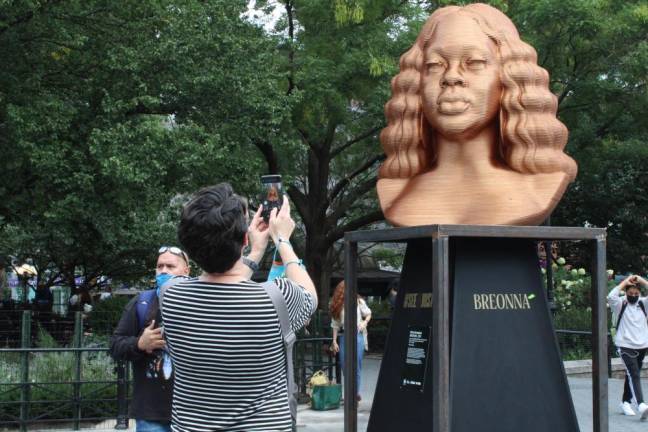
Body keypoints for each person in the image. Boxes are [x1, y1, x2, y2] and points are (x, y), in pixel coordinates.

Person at [376, 3, 577, 226]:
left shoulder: (541, 187)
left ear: (509, 78)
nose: (451, 77)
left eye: (474, 62)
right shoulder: (395, 191)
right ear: (416, 84)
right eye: (435, 64)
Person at [161, 183, 317, 431]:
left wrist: (255, 251)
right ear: (244, 238)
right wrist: (282, 240)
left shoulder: (170, 295)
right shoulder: (277, 298)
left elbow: (223, 282)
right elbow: (310, 296)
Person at [110, 247, 191, 431]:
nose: (163, 271)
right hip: (152, 414)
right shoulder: (142, 303)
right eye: (159, 266)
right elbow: (115, 345)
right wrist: (139, 344)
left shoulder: (201, 302)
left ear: (186, 271)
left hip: (193, 413)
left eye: (170, 266)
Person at [607, 274, 648, 418]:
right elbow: (610, 296)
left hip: (642, 345)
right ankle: (641, 404)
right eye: (631, 293)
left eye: (636, 293)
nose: (634, 296)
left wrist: (641, 280)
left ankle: (625, 402)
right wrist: (625, 282)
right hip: (625, 345)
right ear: (626, 293)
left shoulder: (643, 303)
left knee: (631, 374)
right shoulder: (620, 304)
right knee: (634, 374)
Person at [329, 281, 372, 401]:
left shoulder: (359, 301)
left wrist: (364, 322)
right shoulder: (338, 304)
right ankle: (350, 393)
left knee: (356, 366)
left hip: (357, 335)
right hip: (344, 336)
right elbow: (335, 325)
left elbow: (368, 314)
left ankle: (354, 395)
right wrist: (334, 341)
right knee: (345, 366)